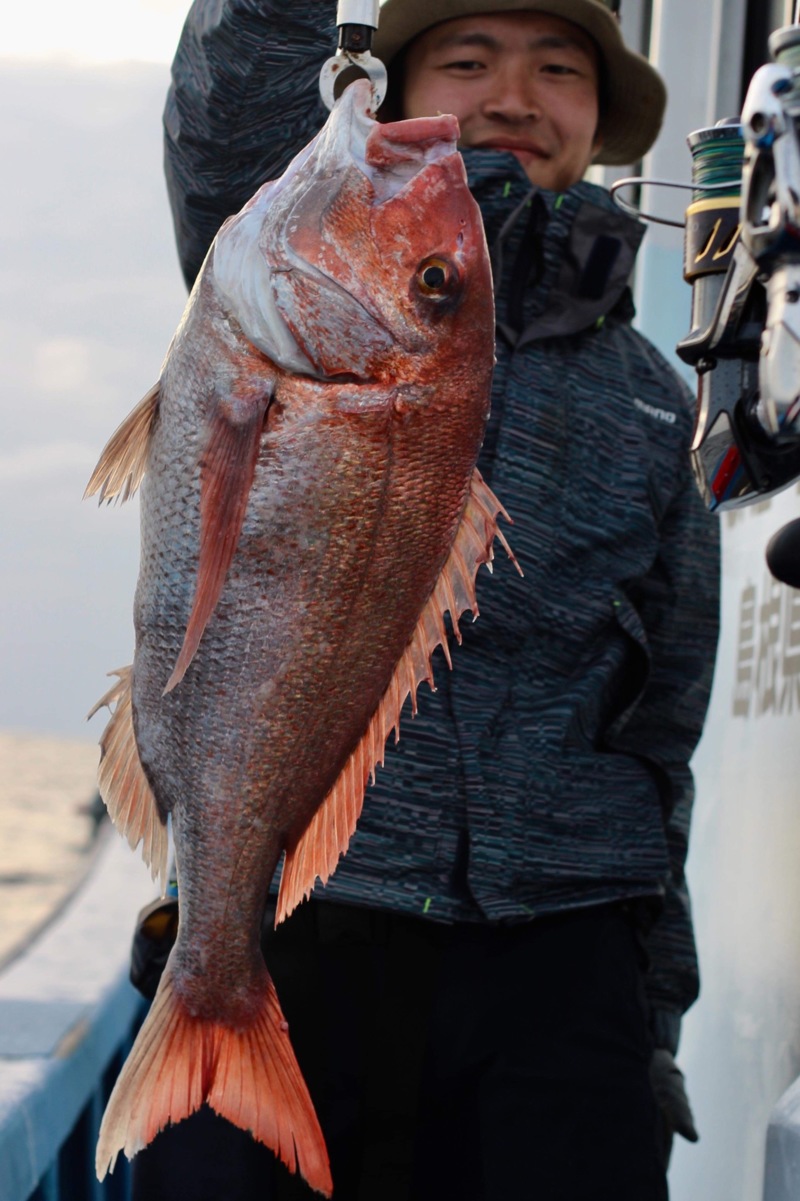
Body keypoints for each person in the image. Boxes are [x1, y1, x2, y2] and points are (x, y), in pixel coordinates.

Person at [129, 1, 720, 1198]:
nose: (514, 95)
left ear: (597, 121)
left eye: (558, 69)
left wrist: (647, 1015)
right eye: (468, 59)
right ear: (383, 96)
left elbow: (661, 731)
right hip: (301, 917)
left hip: (561, 973)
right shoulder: (294, 255)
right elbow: (227, 107)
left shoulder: (656, 399)